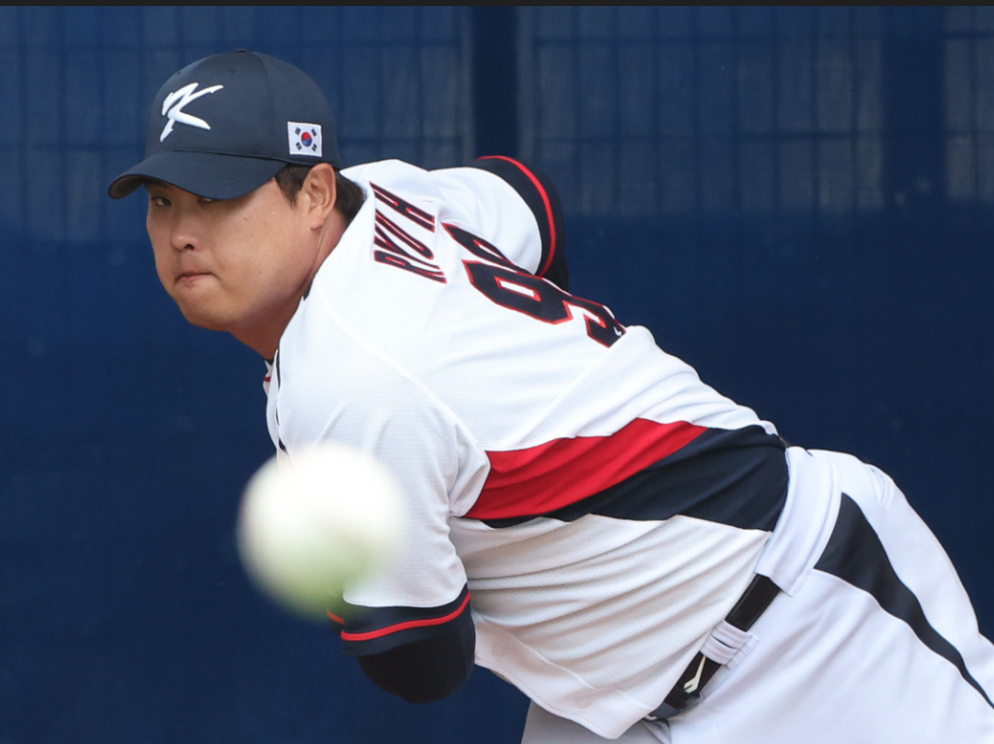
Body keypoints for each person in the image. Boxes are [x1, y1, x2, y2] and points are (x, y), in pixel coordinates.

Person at [109, 49, 994, 744]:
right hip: (617, 706)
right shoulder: (382, 195)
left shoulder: (357, 381)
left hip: (809, 617)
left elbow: (420, 663)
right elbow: (528, 201)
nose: (183, 232)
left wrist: (343, 561)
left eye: (218, 197)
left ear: (313, 193)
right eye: (164, 200)